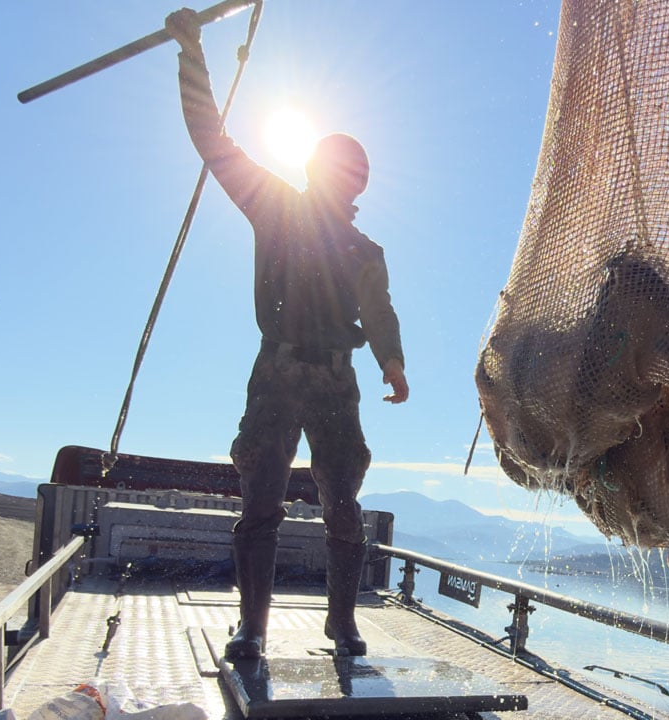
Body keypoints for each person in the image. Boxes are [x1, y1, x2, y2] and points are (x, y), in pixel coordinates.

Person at [165, 8, 409, 660]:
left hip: (336, 381)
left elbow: (379, 312)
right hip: (276, 374)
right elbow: (212, 138)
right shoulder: (273, 207)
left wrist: (392, 362)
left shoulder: (365, 251)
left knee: (343, 505)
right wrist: (192, 52)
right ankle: (253, 627)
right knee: (262, 500)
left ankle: (341, 623)